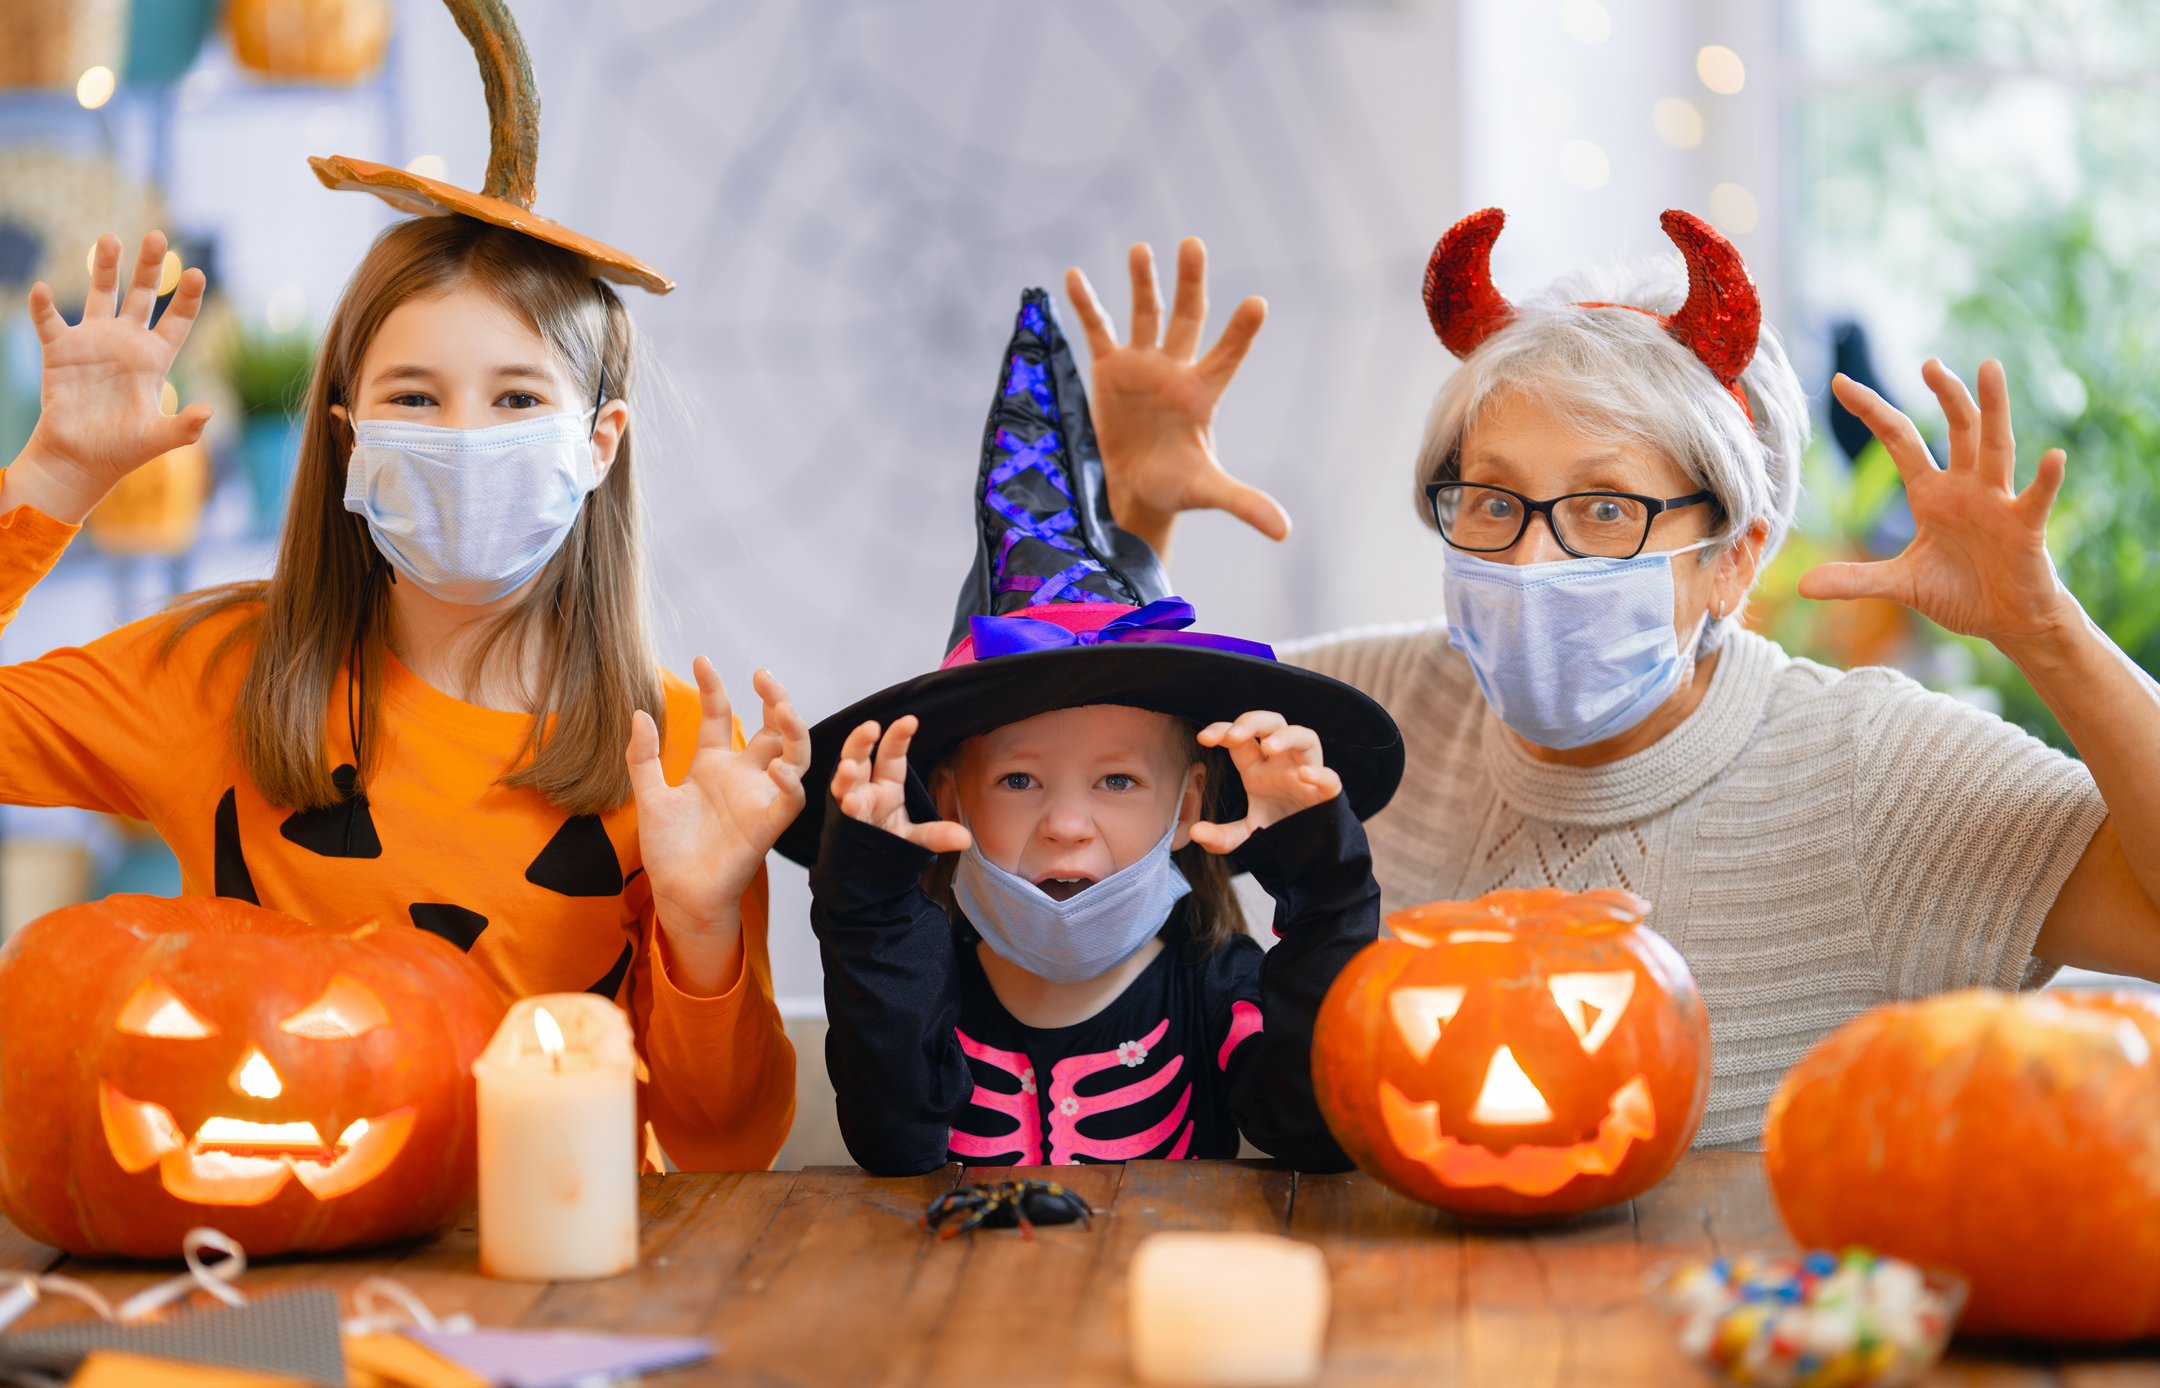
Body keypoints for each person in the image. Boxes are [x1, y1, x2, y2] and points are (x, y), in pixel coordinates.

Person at [1059, 213, 2160, 1145]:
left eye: (1604, 510)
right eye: (1491, 502)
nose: (1534, 562)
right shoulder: (1373, 710)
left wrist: (2043, 629)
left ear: (1734, 553)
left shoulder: (1865, 765)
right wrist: (1124, 519)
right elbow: (1048, 773)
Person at [0, 9, 805, 1170]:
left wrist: (702, 922)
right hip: (272, 1231)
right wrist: (49, 482)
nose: (465, 436)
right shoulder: (220, 676)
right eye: (416, 400)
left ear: (600, 441)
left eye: (518, 399)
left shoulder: (673, 753)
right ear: (348, 437)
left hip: (549, 1277)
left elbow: (720, 1142)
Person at [770, 291, 1404, 1175]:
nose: (1068, 824)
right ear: (947, 794)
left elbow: (1313, 1133)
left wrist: (1320, 879)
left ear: (1190, 805)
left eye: (1117, 782)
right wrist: (870, 905)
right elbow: (894, 1142)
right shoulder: (929, 977)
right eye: (1020, 781)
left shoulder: (1214, 983)